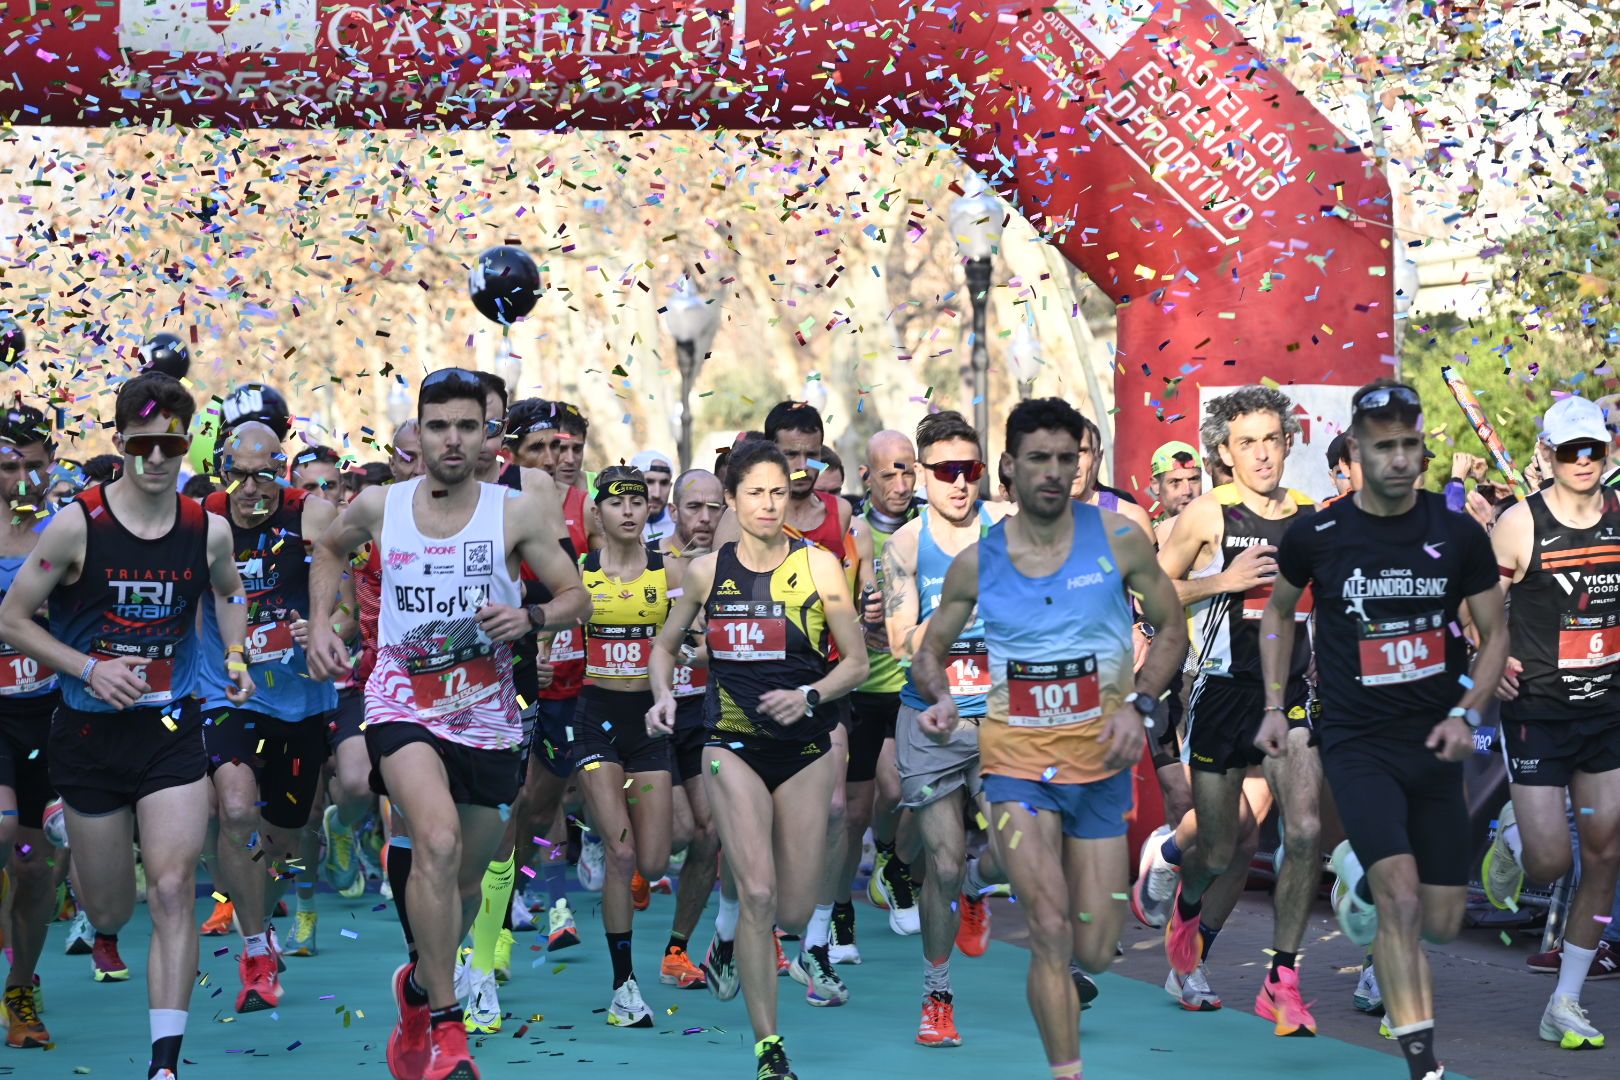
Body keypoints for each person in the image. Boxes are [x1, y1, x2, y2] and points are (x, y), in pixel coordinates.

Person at [305, 367, 590, 1080]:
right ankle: (446, 1024)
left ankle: (418, 990)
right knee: (431, 839)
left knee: (463, 883)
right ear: (418, 434)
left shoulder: (515, 511)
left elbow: (575, 598)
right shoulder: (379, 505)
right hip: (402, 702)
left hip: (490, 716)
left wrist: (529, 616)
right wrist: (318, 624)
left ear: (488, 433)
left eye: (467, 425)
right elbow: (330, 549)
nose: (453, 439)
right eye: (438, 426)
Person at [910, 397, 1187, 1080]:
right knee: (1051, 931)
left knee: (1094, 949)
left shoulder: (1121, 539)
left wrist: (1141, 703)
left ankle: (977, 882)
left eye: (1068, 458)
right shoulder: (979, 561)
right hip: (1016, 769)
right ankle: (1067, 1071)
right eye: (1040, 459)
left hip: (1099, 768)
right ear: (1009, 466)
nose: (1055, 472)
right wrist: (942, 697)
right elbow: (928, 649)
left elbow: (1172, 629)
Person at [0, 372, 255, 1079]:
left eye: (170, 443)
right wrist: (87, 669)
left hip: (171, 728)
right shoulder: (79, 523)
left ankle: (165, 1063)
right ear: (120, 442)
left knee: (173, 888)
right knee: (112, 908)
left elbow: (231, 593)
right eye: (142, 443)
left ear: (186, 445)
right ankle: (80, 870)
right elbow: (13, 619)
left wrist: (233, 654)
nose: (155, 458)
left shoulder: (209, 528)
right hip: (86, 735)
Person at [1263, 379, 1506, 1080]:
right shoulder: (1319, 533)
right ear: (1358, 451)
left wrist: (1467, 712)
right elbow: (1280, 614)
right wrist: (1276, 705)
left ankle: (1354, 882)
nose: (1400, 459)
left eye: (1410, 446)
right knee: (1402, 900)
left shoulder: (1457, 532)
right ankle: (1422, 1064)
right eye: (1384, 447)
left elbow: (1493, 633)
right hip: (1358, 740)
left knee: (1442, 920)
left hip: (1436, 741)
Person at [646, 438, 867, 1080]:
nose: (769, 505)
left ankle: (729, 943)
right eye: (754, 493)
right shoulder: (708, 572)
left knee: (793, 911)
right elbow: (664, 648)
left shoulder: (820, 566)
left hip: (803, 748)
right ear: (731, 501)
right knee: (762, 892)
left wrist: (809, 694)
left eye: (777, 491)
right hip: (730, 743)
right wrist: (663, 696)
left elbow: (854, 661)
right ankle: (770, 1050)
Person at [1147, 386, 1324, 1029]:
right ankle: (1186, 904)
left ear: (1287, 444)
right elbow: (1153, 592)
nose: (1261, 454)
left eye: (1271, 440)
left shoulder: (1310, 514)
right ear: (1225, 451)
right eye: (1246, 443)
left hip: (1288, 697)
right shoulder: (1206, 515)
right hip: (1220, 693)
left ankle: (1278, 977)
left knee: (1301, 831)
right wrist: (1223, 580)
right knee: (1222, 849)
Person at [1485, 393, 1619, 1050]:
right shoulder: (1519, 524)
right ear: (1548, 455)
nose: (1584, 460)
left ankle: (1564, 1001)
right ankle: (1509, 838)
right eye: (1571, 450)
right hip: (1537, 709)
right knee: (1549, 862)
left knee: (1604, 852)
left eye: (1594, 447)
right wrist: (1495, 649)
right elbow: (1477, 603)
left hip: (1607, 713)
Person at [197, 421, 342, 1013]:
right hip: (229, 691)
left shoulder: (311, 513)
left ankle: (264, 914)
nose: (252, 488)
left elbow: (350, 611)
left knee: (284, 835)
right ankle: (254, 950)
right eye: (239, 473)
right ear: (221, 471)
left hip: (300, 698)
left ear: (283, 471)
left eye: (266, 474)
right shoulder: (200, 518)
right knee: (235, 808)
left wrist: (325, 625)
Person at [881, 410, 1013, 1046]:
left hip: (1003, 714)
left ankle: (981, 887)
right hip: (931, 717)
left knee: (1013, 850)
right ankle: (937, 994)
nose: (959, 484)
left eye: (970, 470)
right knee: (941, 858)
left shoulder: (1009, 530)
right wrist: (959, 611)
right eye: (945, 472)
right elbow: (902, 640)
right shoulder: (905, 546)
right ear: (922, 476)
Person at [573, 465, 685, 1026]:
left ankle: (607, 831)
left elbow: (700, 633)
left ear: (648, 510)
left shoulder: (671, 571)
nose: (628, 511)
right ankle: (624, 987)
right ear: (598, 513)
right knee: (620, 855)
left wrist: (686, 655)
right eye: (616, 503)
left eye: (637, 502)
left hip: (650, 722)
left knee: (655, 859)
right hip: (596, 719)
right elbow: (549, 636)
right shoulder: (579, 572)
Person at [841, 429, 921, 957]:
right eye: (888, 472)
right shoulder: (851, 531)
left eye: (907, 470)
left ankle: (890, 859)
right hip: (858, 689)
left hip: (911, 686)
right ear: (866, 477)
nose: (900, 482)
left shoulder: (929, 527)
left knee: (902, 791)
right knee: (851, 814)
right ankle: (838, 913)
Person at [0, 403, 63, 1048]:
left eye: (33, 467)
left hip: (48, 715)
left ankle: (21, 983)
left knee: (34, 866)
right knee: (1, 836)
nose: (21, 477)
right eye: (8, 465)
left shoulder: (63, 535)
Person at [654, 468, 726, 991]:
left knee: (709, 832)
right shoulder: (647, 559)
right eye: (693, 507)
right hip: (653, 713)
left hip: (703, 711)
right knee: (675, 834)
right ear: (674, 510)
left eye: (713, 508)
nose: (704, 517)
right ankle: (639, 864)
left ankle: (677, 950)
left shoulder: (732, 566)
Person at [1150, 440, 1204, 522]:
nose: (1187, 491)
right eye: (1175, 481)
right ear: (1155, 485)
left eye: (1193, 479)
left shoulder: (1221, 526)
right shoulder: (1147, 533)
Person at [632, 450, 677, 544]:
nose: (657, 494)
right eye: (649, 482)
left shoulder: (681, 525)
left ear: (670, 486)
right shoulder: (614, 525)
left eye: (664, 483)